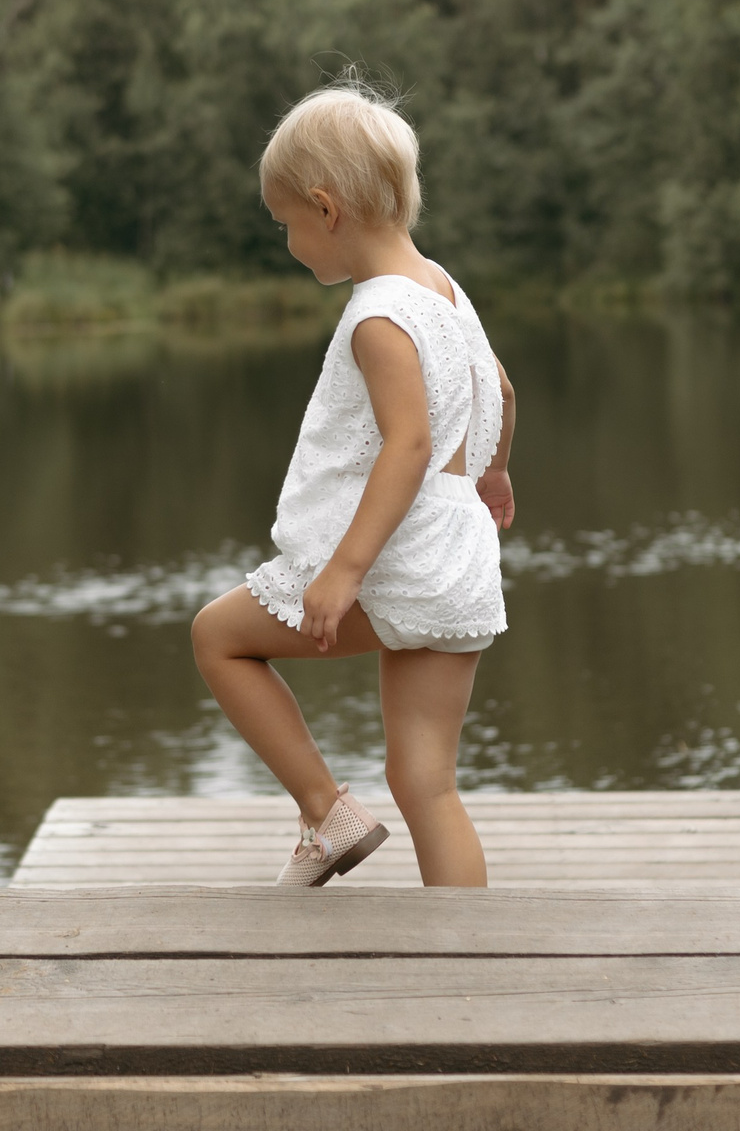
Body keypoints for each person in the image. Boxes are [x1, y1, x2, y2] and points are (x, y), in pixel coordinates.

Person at [191, 79, 516, 888]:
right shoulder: (445, 290)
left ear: (327, 210)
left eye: (286, 225)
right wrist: (495, 468)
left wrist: (344, 569)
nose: (288, 242)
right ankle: (470, 954)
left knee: (217, 638)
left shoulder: (377, 316)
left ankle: (324, 810)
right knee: (427, 782)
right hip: (462, 558)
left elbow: (404, 446)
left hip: (401, 559)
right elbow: (502, 391)